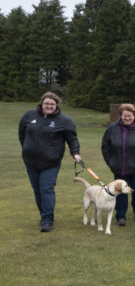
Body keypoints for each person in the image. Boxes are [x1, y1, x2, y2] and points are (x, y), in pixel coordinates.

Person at [19, 92, 81, 232]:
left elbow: (72, 139)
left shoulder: (65, 121)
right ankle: (43, 215)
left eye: (52, 104)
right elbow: (21, 134)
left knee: (46, 189)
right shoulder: (29, 116)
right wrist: (27, 148)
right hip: (30, 161)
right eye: (47, 103)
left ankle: (47, 220)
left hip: (51, 162)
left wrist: (75, 152)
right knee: (37, 190)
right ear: (42, 103)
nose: (49, 106)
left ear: (56, 105)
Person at [101, 104, 135, 226]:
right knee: (120, 192)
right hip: (119, 168)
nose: (127, 118)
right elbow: (105, 146)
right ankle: (121, 215)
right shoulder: (112, 128)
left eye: (129, 116)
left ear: (134, 115)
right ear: (121, 115)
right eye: (125, 116)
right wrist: (110, 162)